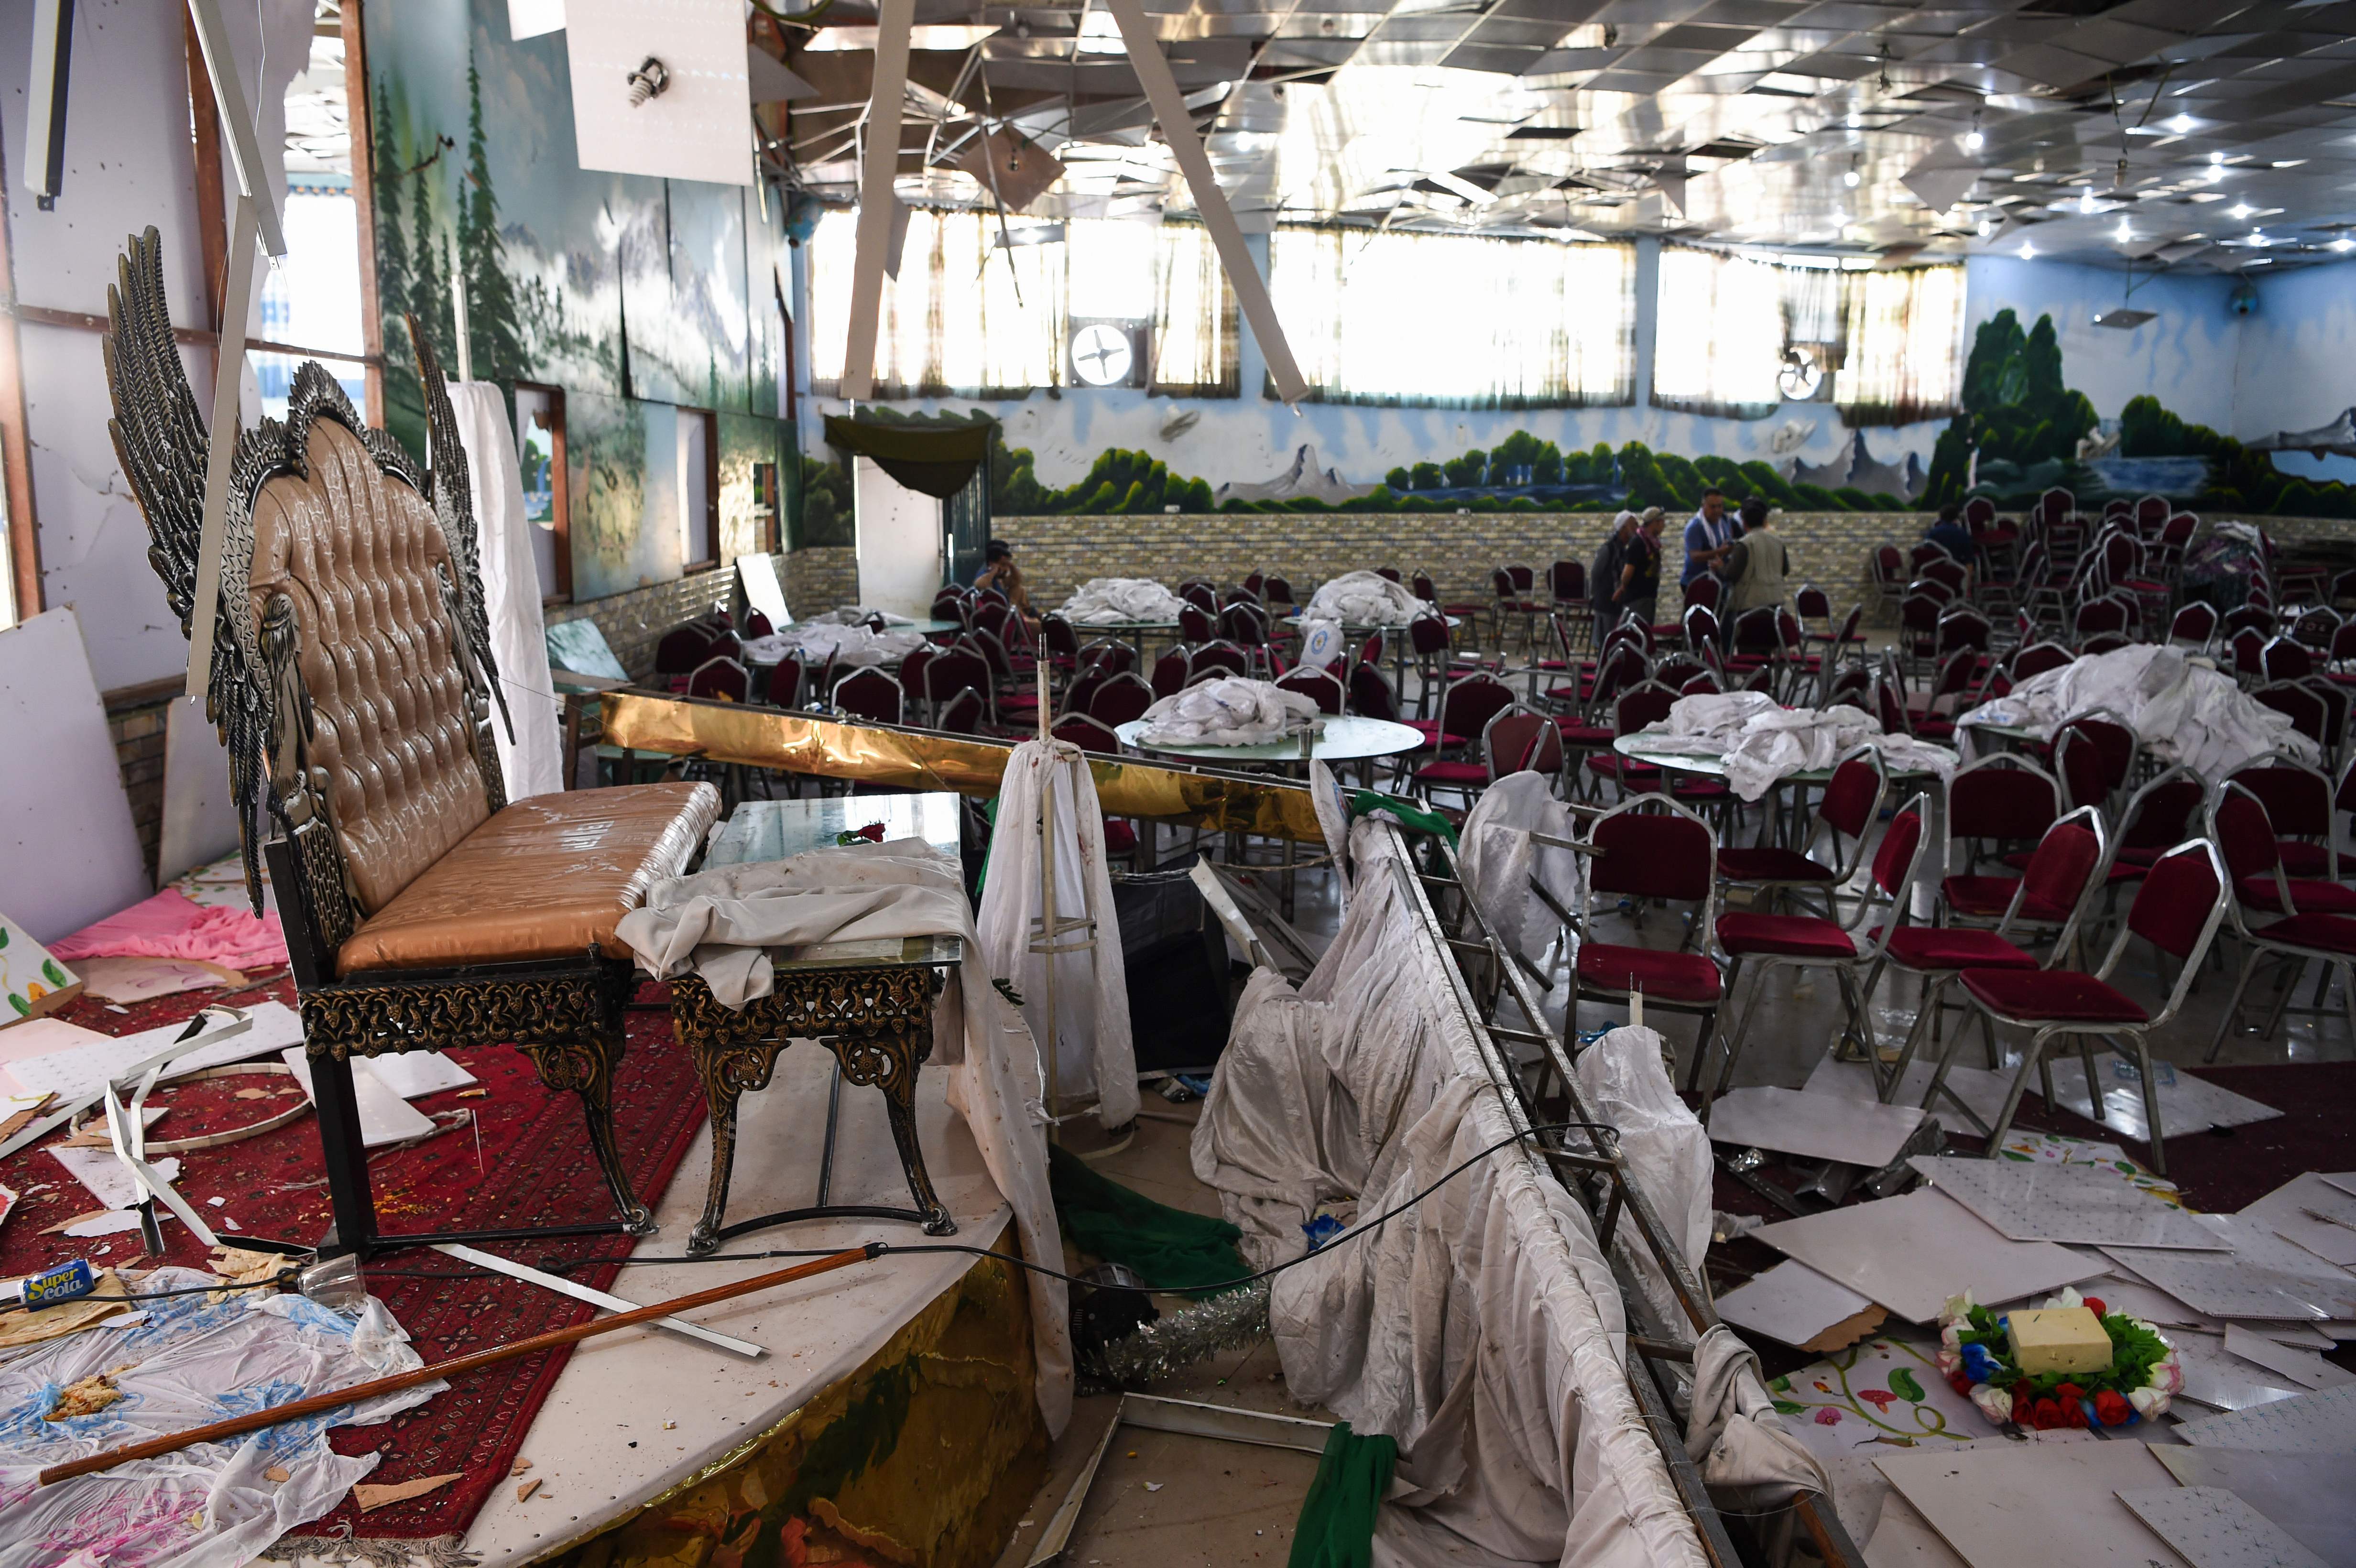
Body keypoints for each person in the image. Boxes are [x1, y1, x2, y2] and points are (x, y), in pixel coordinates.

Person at [1723, 496, 1788, 614]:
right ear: (1764, 521)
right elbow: (1785, 570)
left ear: (1744, 522)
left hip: (1750, 603)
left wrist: (1720, 567)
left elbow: (1732, 574)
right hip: (1776, 601)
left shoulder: (1744, 544)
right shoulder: (1778, 542)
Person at [1681, 487, 1740, 589]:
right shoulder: (1695, 526)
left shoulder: (1725, 520)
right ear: (1703, 506)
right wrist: (1720, 552)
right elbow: (1695, 556)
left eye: (1720, 506)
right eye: (1713, 507)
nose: (1717, 510)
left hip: (1721, 582)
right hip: (1697, 582)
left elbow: (1729, 540)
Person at [1590, 511, 1637, 637]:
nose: (1636, 529)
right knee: (1606, 640)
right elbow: (1596, 574)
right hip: (1606, 602)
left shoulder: (1624, 550)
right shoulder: (1608, 549)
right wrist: (1597, 596)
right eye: (1633, 525)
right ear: (1623, 528)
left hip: (1617, 603)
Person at [1616, 506, 1665, 629]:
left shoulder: (1652, 543)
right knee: (1635, 633)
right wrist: (1623, 587)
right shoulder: (1638, 543)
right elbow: (1628, 572)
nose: (1664, 525)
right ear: (1655, 522)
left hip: (1648, 597)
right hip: (1637, 598)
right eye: (1662, 521)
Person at [974, 538, 1035, 624]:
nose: (1006, 568)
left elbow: (1016, 581)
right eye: (1003, 564)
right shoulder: (986, 575)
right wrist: (994, 570)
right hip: (1001, 618)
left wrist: (1011, 566)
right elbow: (979, 585)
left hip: (1009, 612)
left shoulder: (998, 577)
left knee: (1019, 589)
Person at [1925, 503, 1977, 571]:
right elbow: (1969, 560)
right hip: (1957, 571)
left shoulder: (1932, 533)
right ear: (1957, 517)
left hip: (1936, 572)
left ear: (1941, 517)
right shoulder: (1962, 534)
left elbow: (1926, 553)